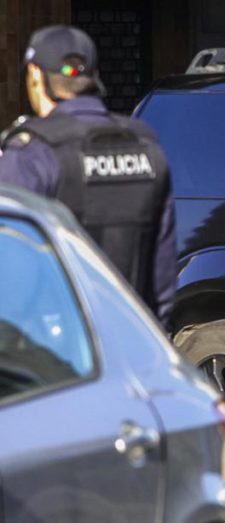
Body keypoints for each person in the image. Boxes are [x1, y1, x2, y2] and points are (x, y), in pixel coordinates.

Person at [0, 25, 177, 328]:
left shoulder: (33, 153)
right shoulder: (146, 145)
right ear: (93, 76)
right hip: (129, 336)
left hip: (54, 345)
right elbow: (162, 277)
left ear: (35, 75)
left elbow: (9, 266)